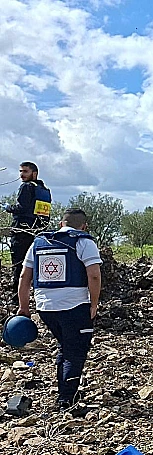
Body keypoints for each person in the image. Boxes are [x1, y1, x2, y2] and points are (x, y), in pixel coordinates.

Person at [17, 208, 101, 410]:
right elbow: (94, 276)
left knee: (65, 346)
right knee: (75, 352)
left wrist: (24, 307)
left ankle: (65, 390)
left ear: (61, 224)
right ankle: (66, 401)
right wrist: (94, 303)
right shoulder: (84, 242)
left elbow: (24, 278)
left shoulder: (38, 243)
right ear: (84, 226)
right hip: (74, 306)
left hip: (45, 307)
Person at [5, 162, 52, 303]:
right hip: (38, 232)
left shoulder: (26, 187)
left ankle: (16, 298)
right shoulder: (44, 190)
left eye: (25, 171)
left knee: (19, 265)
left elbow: (22, 207)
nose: (21, 175)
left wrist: (9, 208)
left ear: (34, 173)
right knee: (37, 266)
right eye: (20, 171)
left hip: (22, 232)